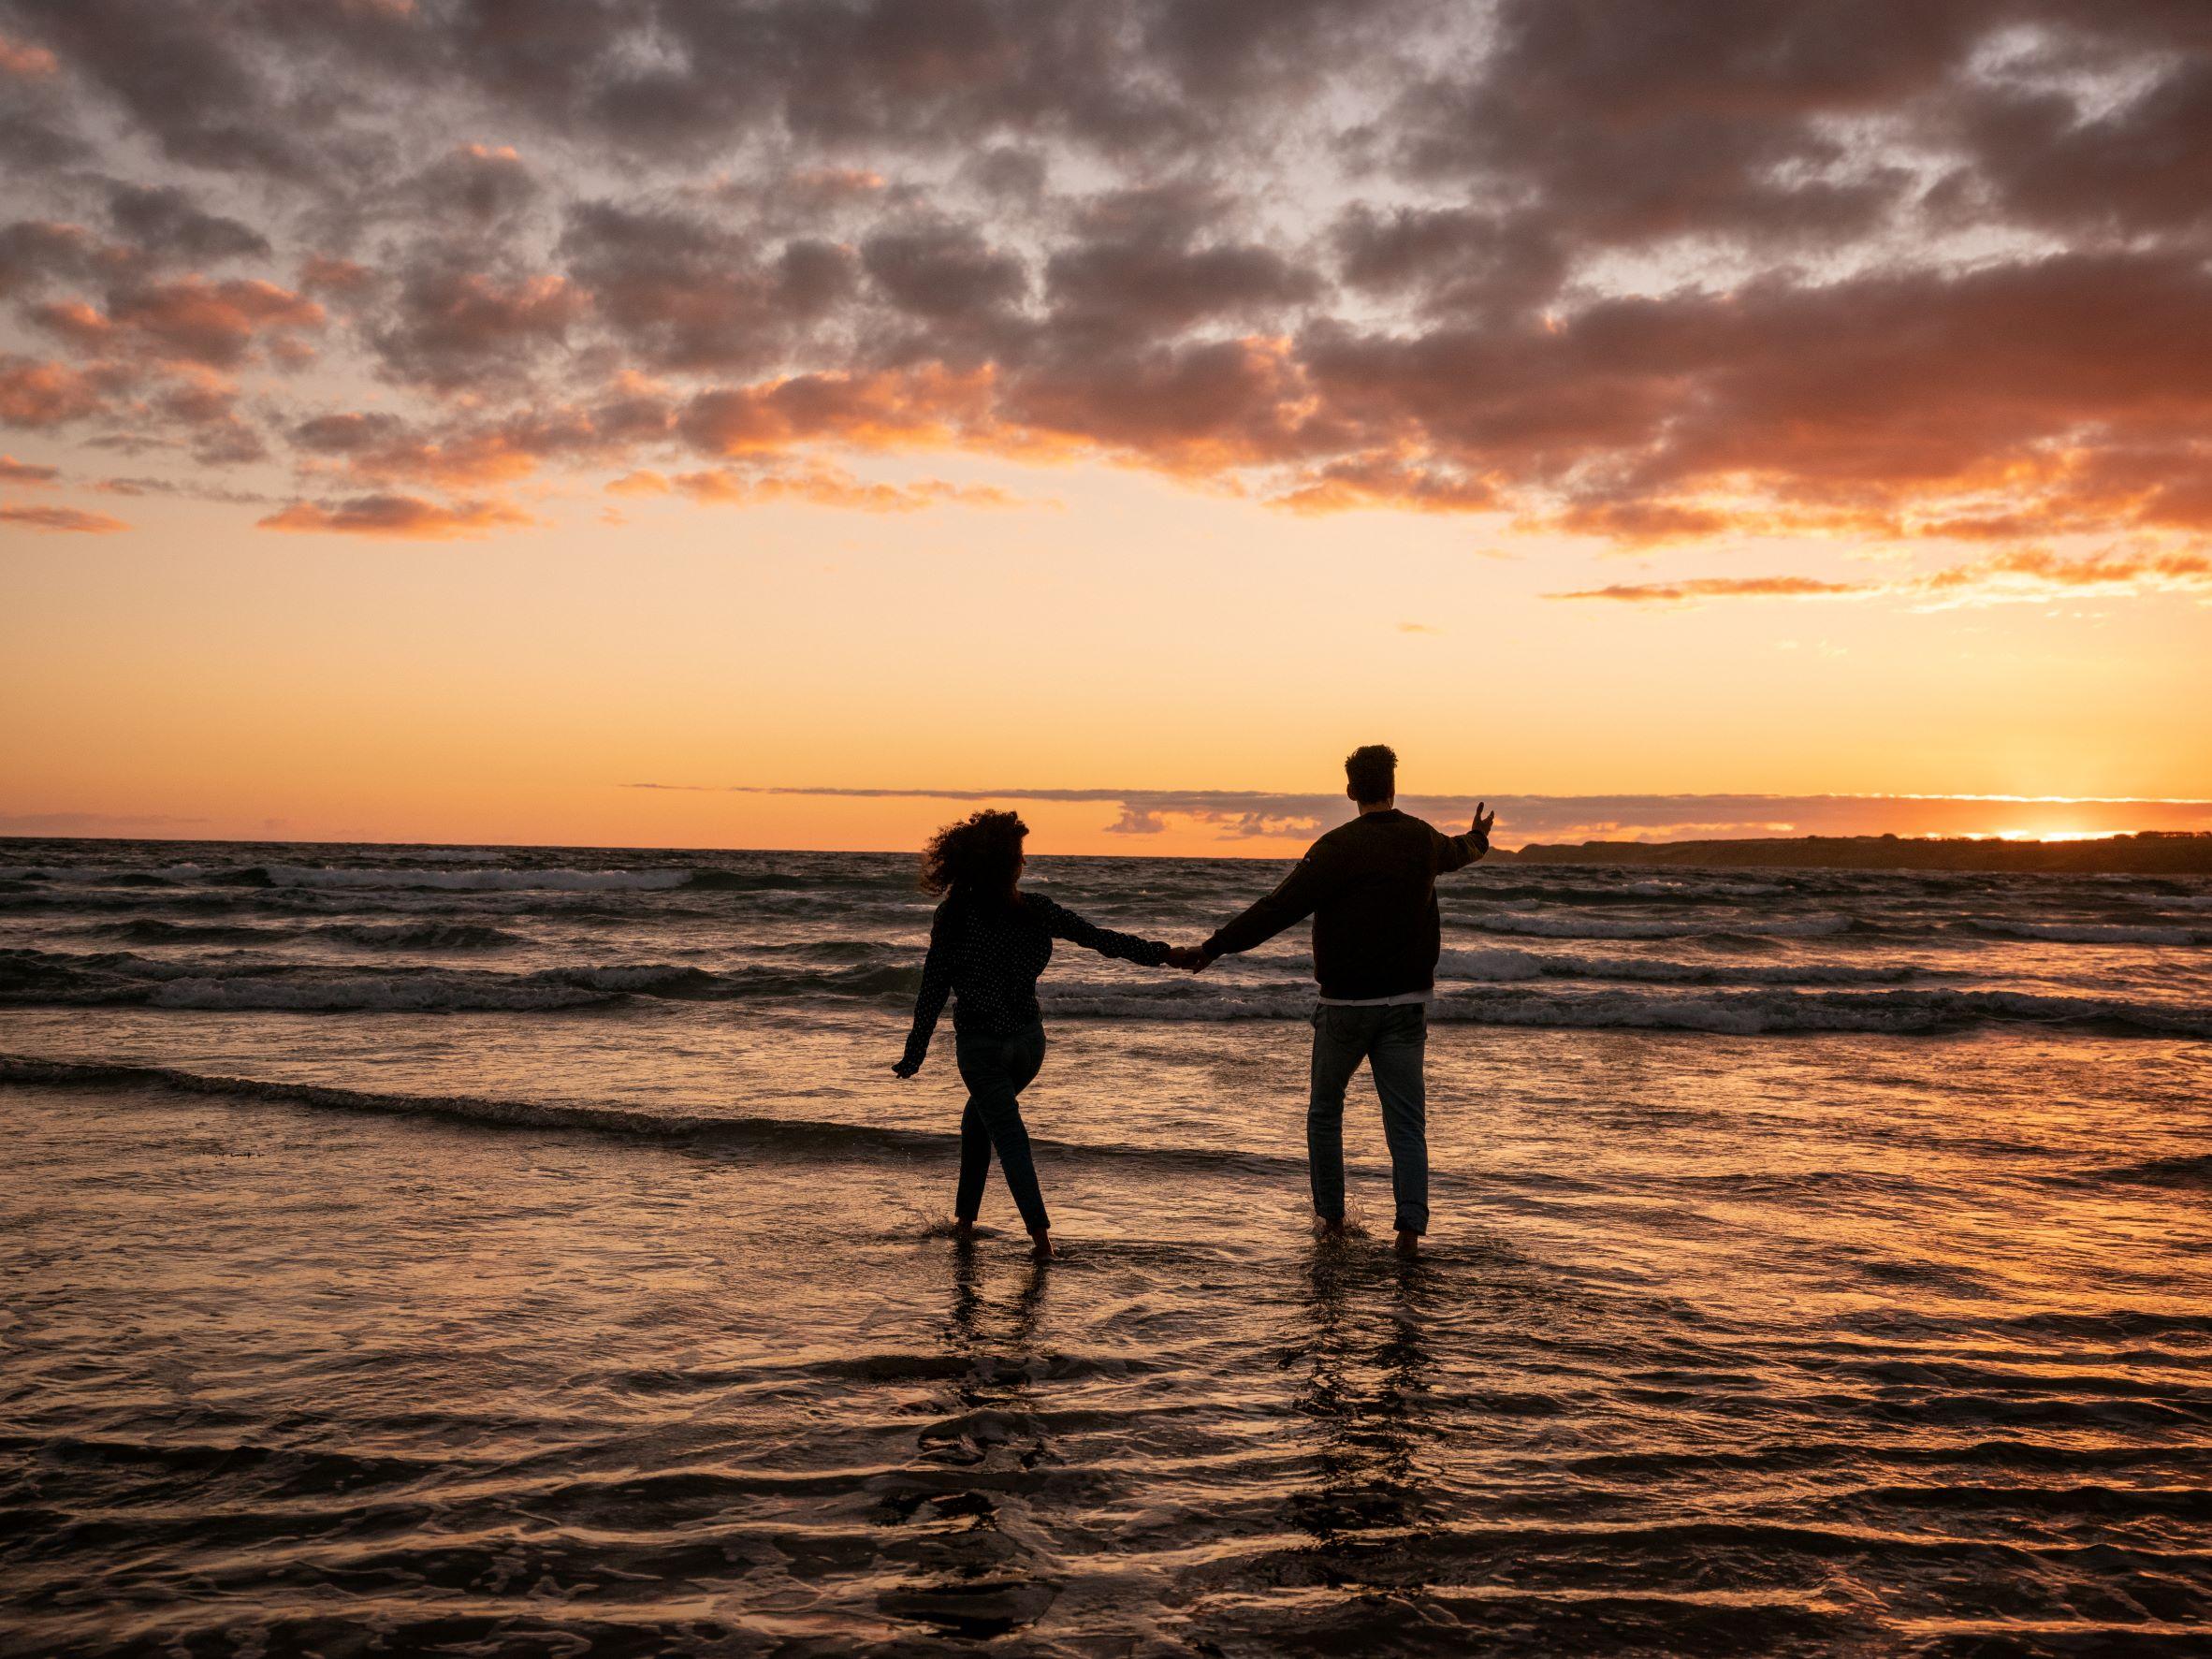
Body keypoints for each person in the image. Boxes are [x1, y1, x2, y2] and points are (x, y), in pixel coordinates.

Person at [1189, 746, 1494, 1258]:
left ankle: (1331, 1224)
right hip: (1406, 1007)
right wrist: (1482, 835)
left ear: (1351, 790)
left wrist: (1213, 947)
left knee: (1326, 1113)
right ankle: (1409, 1236)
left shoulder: (1334, 848)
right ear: (1393, 787)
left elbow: (1278, 908)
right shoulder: (1421, 838)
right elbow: (1461, 851)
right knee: (1406, 1122)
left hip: (1345, 1009)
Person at [893, 808, 1190, 1259]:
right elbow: (1101, 939)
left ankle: (1043, 1245)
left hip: (981, 1049)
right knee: (979, 1122)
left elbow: (933, 986)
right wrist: (1166, 955)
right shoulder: (1035, 910)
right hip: (1029, 1046)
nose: (1024, 863)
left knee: (1007, 1135)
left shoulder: (953, 916)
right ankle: (965, 1224)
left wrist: (915, 1052)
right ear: (1010, 864)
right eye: (1019, 856)